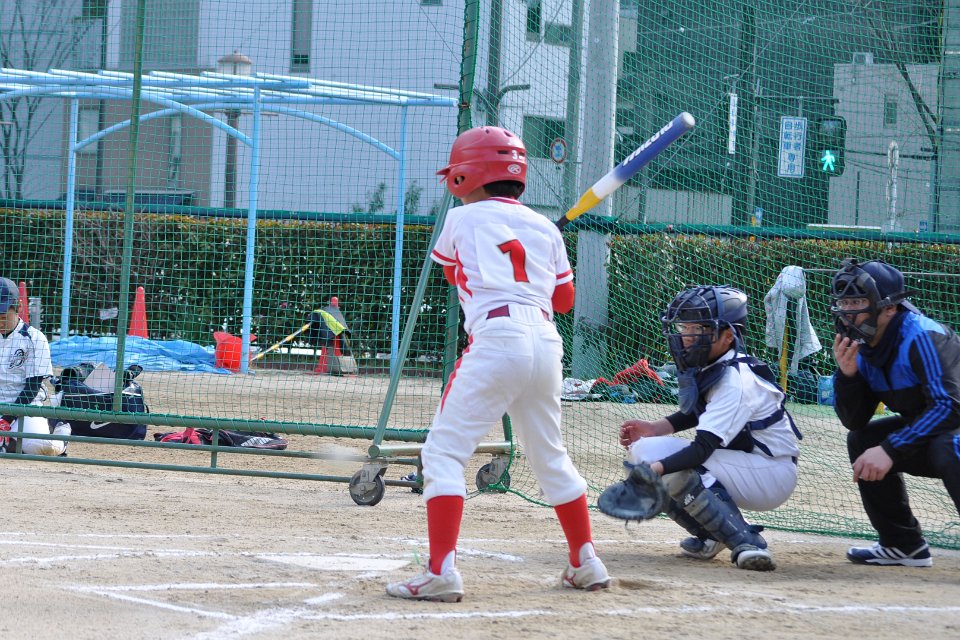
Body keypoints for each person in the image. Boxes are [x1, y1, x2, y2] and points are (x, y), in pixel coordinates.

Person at [385, 126, 611, 602]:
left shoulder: (460, 219)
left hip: (496, 339)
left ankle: (441, 571)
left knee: (443, 454)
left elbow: (454, 275)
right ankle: (585, 560)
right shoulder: (545, 227)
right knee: (550, 455)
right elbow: (564, 301)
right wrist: (538, 248)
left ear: (465, 176)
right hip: (545, 344)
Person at [603, 285, 801, 571]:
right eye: (684, 327)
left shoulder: (736, 382)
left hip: (769, 472)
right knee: (644, 450)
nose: (687, 336)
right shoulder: (716, 364)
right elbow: (700, 413)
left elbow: (702, 449)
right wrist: (655, 428)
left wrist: (653, 471)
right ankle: (710, 534)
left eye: (699, 328)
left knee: (672, 468)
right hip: (746, 463)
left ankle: (747, 541)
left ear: (728, 336)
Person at [830, 258, 960, 567]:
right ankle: (902, 545)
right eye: (844, 303)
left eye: (857, 302)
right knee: (863, 440)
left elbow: (951, 405)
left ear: (889, 307)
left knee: (949, 445)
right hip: (939, 433)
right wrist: (848, 377)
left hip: (953, 430)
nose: (847, 312)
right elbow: (854, 420)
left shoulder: (922, 336)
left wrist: (891, 449)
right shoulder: (862, 346)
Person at [0, 277, 69, 456]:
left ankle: (60, 431)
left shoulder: (34, 338)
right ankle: (11, 445)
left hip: (24, 408)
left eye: (3, 316)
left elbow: (32, 388)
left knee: (43, 448)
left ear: (18, 307)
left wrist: (5, 420)